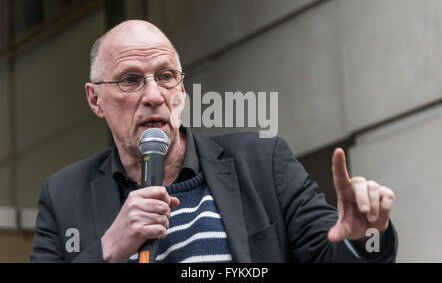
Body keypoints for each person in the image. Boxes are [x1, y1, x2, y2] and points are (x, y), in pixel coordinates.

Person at [30, 20, 398, 263]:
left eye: (166, 76)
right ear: (96, 100)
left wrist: (365, 237)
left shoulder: (261, 162)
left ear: (182, 90)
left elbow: (330, 254)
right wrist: (109, 249)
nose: (154, 95)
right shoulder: (64, 196)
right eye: (130, 80)